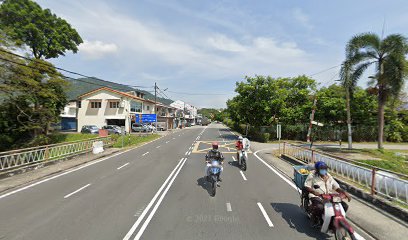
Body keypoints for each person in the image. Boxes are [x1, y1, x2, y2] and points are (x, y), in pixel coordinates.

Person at [304, 161, 351, 226]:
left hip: (329, 196)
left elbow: (336, 187)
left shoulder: (328, 176)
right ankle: (314, 218)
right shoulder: (312, 175)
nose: (324, 170)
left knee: (344, 206)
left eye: (325, 169)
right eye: (322, 169)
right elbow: (307, 186)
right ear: (317, 170)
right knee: (320, 207)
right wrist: (314, 192)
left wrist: (344, 192)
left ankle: (332, 220)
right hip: (317, 196)